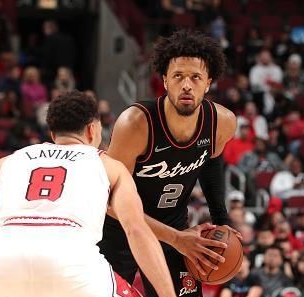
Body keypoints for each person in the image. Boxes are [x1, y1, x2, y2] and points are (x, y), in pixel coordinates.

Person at [0, 91, 176, 297]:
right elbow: (136, 230)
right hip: (74, 265)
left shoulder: (8, 162)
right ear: (92, 130)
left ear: (52, 133)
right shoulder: (108, 165)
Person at [99, 29, 240, 297]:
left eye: (196, 77)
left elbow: (211, 162)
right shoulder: (136, 124)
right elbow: (109, 203)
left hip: (174, 225)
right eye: (178, 76)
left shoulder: (222, 122)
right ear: (165, 81)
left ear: (208, 82)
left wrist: (221, 219)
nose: (187, 84)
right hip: (118, 229)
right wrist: (177, 239)